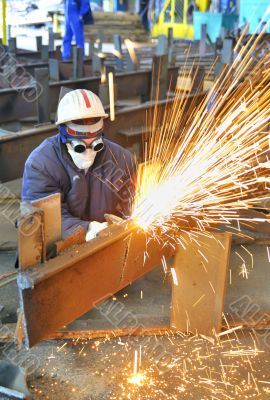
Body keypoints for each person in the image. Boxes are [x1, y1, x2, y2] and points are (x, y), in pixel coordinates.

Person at [22, 89, 136, 241]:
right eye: (79, 147)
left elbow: (133, 201)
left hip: (108, 240)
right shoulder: (41, 164)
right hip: (57, 247)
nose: (88, 151)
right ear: (63, 134)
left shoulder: (122, 158)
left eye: (95, 145)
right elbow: (45, 218)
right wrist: (87, 228)